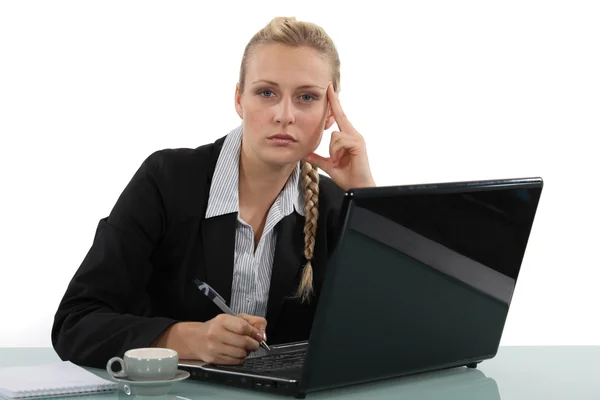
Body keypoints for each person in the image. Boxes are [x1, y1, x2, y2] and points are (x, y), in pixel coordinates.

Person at [51, 16, 376, 369]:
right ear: (239, 99)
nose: (285, 115)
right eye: (266, 92)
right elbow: (75, 323)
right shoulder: (166, 180)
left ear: (330, 112)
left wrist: (365, 196)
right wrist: (190, 339)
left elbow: (390, 331)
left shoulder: (335, 206)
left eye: (307, 97)